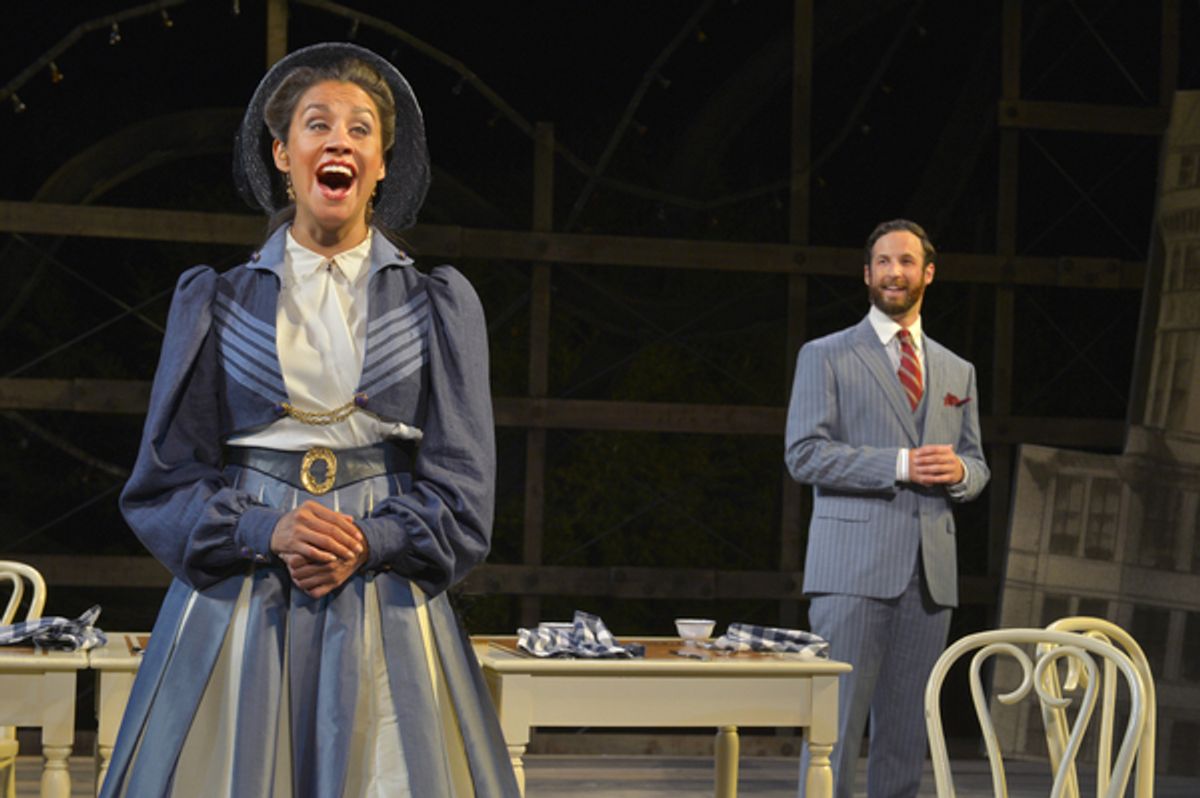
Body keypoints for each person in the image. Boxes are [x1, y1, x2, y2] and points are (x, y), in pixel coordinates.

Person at [102, 43, 519, 797]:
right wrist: (267, 529)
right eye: (317, 125)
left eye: (360, 130)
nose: (339, 142)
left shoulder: (435, 305)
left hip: (383, 601)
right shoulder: (216, 301)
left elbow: (464, 488)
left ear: (381, 164)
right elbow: (165, 481)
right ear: (283, 155)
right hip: (243, 600)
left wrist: (370, 541)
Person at [786, 219, 989, 797]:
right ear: (867, 274)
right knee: (834, 731)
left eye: (905, 261)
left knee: (905, 737)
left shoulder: (957, 370)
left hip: (929, 576)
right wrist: (899, 464)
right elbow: (804, 454)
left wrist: (961, 474)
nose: (893, 272)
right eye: (882, 262)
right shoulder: (826, 355)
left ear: (928, 273)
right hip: (852, 570)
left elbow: (977, 463)